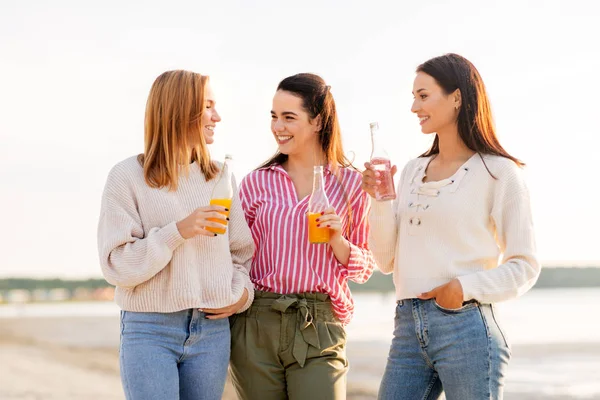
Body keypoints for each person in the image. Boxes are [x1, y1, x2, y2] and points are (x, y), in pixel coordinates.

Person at [363, 54, 541, 400]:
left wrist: (461, 287)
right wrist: (379, 199)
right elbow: (385, 261)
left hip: (466, 327)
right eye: (414, 97)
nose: (414, 107)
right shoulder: (413, 170)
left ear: (457, 97)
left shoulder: (499, 173)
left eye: (424, 95)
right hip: (407, 328)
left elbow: (525, 266)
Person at [97, 70, 254, 400]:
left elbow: (241, 254)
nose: (217, 116)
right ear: (180, 110)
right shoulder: (127, 177)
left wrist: (241, 296)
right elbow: (116, 266)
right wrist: (178, 231)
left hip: (211, 332)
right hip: (149, 329)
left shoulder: (219, 178)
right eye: (208, 106)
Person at [230, 73, 377, 400]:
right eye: (274, 116)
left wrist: (338, 241)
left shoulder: (352, 186)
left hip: (320, 323)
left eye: (288, 117)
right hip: (255, 323)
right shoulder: (256, 183)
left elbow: (365, 268)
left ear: (317, 121)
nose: (277, 126)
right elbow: (235, 256)